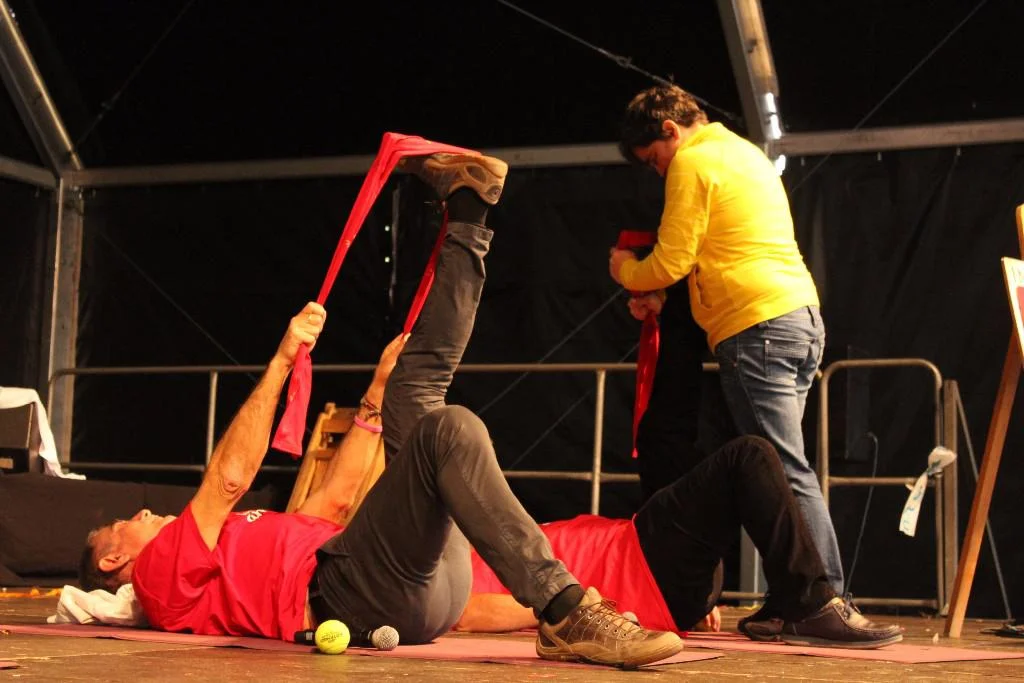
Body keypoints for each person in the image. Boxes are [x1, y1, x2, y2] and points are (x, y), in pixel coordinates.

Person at [78, 152, 685, 669]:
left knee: (415, 391)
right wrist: (283, 360)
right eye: (127, 521)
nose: (144, 512)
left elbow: (334, 503)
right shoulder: (158, 577)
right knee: (448, 429)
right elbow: (228, 480)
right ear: (114, 558)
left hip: (408, 592)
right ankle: (566, 610)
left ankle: (469, 212)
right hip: (352, 597)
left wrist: (374, 395)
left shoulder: (228, 548)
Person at [608, 84, 842, 636]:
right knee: (784, 469)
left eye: (654, 159)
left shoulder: (693, 161)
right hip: (798, 317)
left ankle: (820, 599)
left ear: (670, 131)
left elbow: (672, 259)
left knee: (784, 472)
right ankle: (794, 599)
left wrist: (625, 270)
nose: (659, 171)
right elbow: (714, 251)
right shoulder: (744, 152)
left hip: (756, 326)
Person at [457, 435, 903, 649]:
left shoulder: (493, 540)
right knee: (748, 457)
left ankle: (787, 605)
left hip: (654, 560)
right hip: (646, 569)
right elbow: (467, 614)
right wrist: (572, 610)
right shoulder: (463, 567)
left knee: (741, 472)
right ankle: (808, 603)